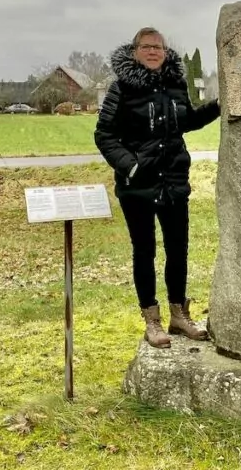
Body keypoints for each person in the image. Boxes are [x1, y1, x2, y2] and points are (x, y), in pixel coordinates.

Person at [94, 27, 220, 348]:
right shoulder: (122, 87)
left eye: (159, 47)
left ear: (165, 52)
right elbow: (104, 135)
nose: (153, 51)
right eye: (147, 46)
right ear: (135, 50)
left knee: (178, 249)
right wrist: (131, 166)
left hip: (174, 182)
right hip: (137, 185)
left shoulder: (175, 84)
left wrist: (218, 107)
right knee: (145, 251)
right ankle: (152, 320)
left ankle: (179, 315)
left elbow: (186, 121)